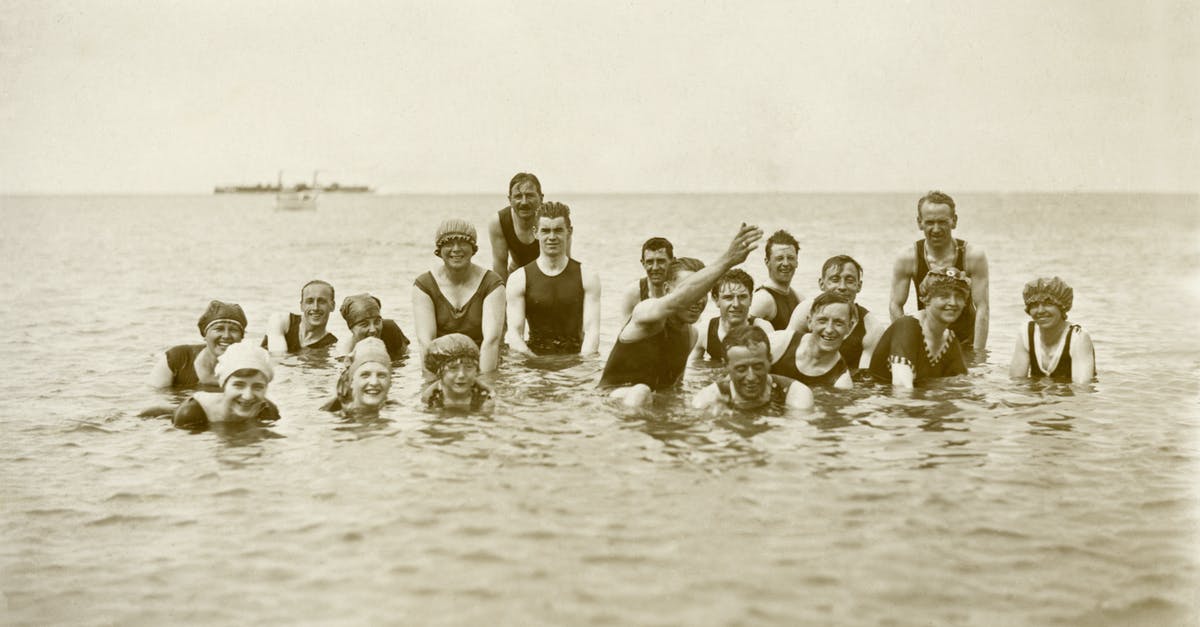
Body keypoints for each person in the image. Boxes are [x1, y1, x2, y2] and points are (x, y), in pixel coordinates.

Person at [599, 223, 764, 407]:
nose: (697, 300)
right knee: (641, 391)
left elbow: (673, 391)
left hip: (650, 408)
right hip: (610, 403)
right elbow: (677, 300)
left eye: (703, 292)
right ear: (668, 289)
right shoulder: (646, 314)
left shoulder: (691, 335)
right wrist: (727, 260)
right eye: (691, 293)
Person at [889, 190, 989, 352]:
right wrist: (907, 343)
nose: (936, 229)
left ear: (954, 221)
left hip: (965, 340)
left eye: (942, 222)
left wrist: (978, 354)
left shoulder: (973, 255)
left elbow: (983, 308)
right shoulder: (908, 257)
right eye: (930, 222)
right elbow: (895, 305)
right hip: (927, 339)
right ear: (919, 222)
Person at [505, 202, 601, 356]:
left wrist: (581, 367)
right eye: (546, 231)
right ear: (536, 232)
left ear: (569, 232)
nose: (552, 237)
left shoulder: (588, 276)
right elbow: (515, 335)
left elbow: (592, 332)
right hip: (534, 361)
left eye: (558, 230)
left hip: (575, 360)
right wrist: (535, 363)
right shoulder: (519, 278)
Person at [412, 219, 505, 372]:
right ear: (439, 250)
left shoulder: (491, 283)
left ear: (473, 248)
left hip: (481, 362)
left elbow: (491, 341)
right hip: (443, 365)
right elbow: (425, 343)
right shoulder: (425, 285)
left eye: (463, 243)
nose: (456, 249)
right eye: (449, 243)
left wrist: (484, 383)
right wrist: (430, 384)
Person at [870, 268, 970, 387]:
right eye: (944, 296)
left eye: (959, 297)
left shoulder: (950, 339)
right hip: (875, 398)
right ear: (925, 299)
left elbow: (962, 384)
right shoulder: (907, 326)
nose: (953, 302)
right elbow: (901, 388)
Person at [786, 255, 885, 370]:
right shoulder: (806, 311)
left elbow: (864, 378)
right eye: (835, 280)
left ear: (859, 286)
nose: (842, 287)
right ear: (821, 284)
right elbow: (786, 352)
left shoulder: (872, 328)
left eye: (849, 281)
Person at [692, 325, 813, 411]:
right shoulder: (708, 399)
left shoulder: (795, 394)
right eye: (741, 369)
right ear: (726, 367)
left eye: (758, 367)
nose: (751, 377)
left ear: (770, 361)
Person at [172, 340, 279, 429]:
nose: (248, 396)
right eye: (238, 385)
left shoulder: (267, 410)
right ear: (223, 385)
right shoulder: (190, 413)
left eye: (258, 387)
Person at [1008, 276, 1096, 384]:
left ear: (1062, 307)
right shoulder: (1026, 333)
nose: (1040, 311)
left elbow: (1082, 391)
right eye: (1034, 305)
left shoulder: (1078, 338)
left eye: (1048, 304)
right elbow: (1016, 383)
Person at [148, 300, 247, 388]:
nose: (226, 336)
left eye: (234, 330)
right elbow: (156, 397)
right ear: (204, 334)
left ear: (242, 337)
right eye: (219, 329)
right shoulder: (177, 359)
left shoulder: (251, 365)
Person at [772, 291, 855, 389]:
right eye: (822, 321)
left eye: (838, 323)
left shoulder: (841, 383)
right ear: (810, 322)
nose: (829, 329)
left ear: (849, 328)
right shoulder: (779, 342)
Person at [690, 268, 776, 362]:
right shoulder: (704, 331)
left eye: (742, 297)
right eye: (728, 297)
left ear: (751, 299)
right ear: (716, 300)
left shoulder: (763, 328)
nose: (736, 304)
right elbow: (691, 369)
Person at [487, 172, 543, 281]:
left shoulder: (552, 219)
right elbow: (500, 267)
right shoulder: (500, 221)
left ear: (541, 198)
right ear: (510, 200)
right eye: (518, 196)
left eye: (530, 195)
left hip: (547, 277)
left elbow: (564, 262)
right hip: (517, 277)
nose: (524, 202)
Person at [420, 334, 495, 411]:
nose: (461, 375)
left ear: (476, 370)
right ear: (439, 373)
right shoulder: (430, 398)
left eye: (469, 367)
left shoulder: (487, 396)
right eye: (453, 368)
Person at [321, 337, 392, 416]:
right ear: (351, 382)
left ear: (390, 382)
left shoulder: (399, 415)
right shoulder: (329, 422)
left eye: (381, 375)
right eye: (365, 375)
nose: (374, 382)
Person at [262, 280, 337, 352]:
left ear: (332, 306)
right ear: (302, 306)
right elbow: (278, 357)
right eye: (309, 301)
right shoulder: (281, 321)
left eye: (321, 301)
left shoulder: (330, 344)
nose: (315, 308)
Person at [749, 229, 802, 330]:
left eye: (790, 258)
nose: (786, 263)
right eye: (779, 258)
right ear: (767, 262)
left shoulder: (799, 297)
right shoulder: (762, 299)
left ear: (797, 262)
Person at [335, 293, 409, 360]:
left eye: (377, 322)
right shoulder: (345, 351)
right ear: (351, 329)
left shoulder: (390, 330)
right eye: (364, 324)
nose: (373, 330)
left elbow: (406, 358)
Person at [619, 237, 674, 321]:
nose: (655, 268)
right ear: (643, 263)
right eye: (650, 262)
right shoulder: (633, 293)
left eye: (661, 261)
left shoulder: (681, 289)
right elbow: (623, 332)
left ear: (672, 262)